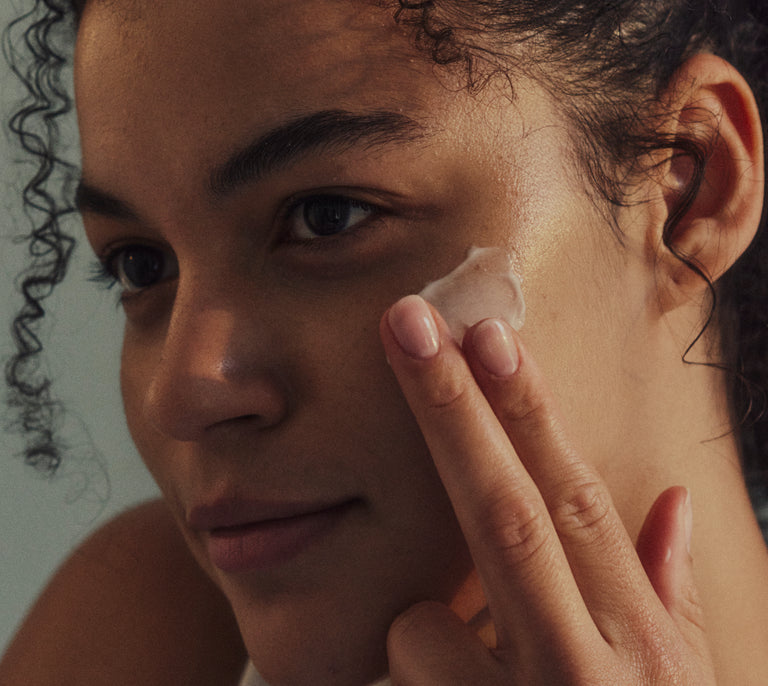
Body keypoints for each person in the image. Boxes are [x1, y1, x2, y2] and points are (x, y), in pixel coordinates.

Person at [1, 0, 767, 684]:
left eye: (327, 216)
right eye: (141, 265)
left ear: (690, 190)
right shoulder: (147, 626)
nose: (183, 393)